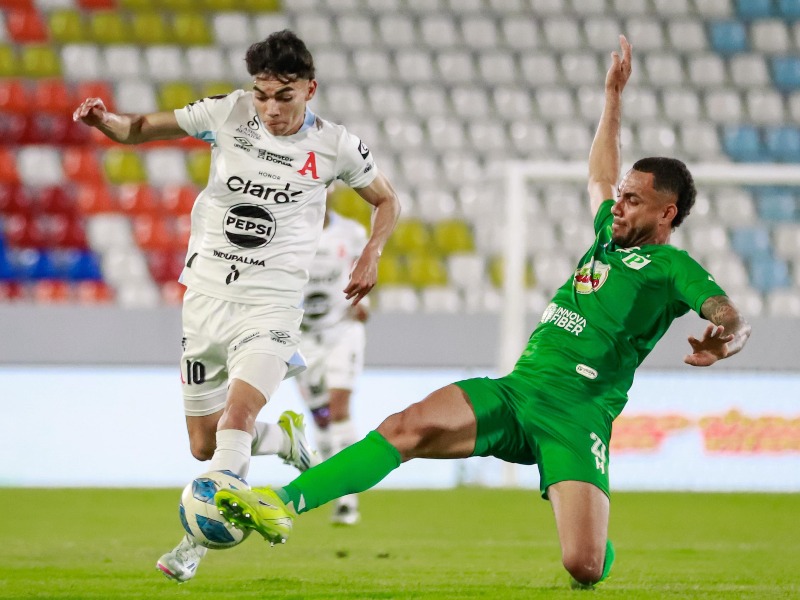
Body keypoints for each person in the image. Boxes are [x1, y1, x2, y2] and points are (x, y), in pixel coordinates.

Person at [213, 35, 752, 589]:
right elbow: (598, 175)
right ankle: (280, 502)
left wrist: (722, 339)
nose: (618, 203)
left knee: (583, 567)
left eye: (633, 200)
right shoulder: (606, 236)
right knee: (406, 427)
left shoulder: (672, 268)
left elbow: (729, 315)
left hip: (577, 418)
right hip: (516, 393)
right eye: (622, 194)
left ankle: (593, 534)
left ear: (668, 212)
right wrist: (612, 99)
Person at [72, 30, 400, 583]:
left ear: (310, 89)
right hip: (203, 300)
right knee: (205, 444)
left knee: (239, 416)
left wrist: (371, 253)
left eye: (284, 96)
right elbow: (140, 130)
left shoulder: (336, 146)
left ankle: (192, 543)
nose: (270, 108)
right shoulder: (227, 113)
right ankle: (286, 439)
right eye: (262, 94)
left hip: (270, 307)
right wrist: (104, 121)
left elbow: (387, 200)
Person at [295, 196, 371, 526]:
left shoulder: (351, 233)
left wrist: (366, 300)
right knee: (322, 418)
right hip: (301, 336)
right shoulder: (288, 232)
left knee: (339, 409)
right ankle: (334, 482)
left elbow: (366, 269)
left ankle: (347, 498)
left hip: (342, 330)